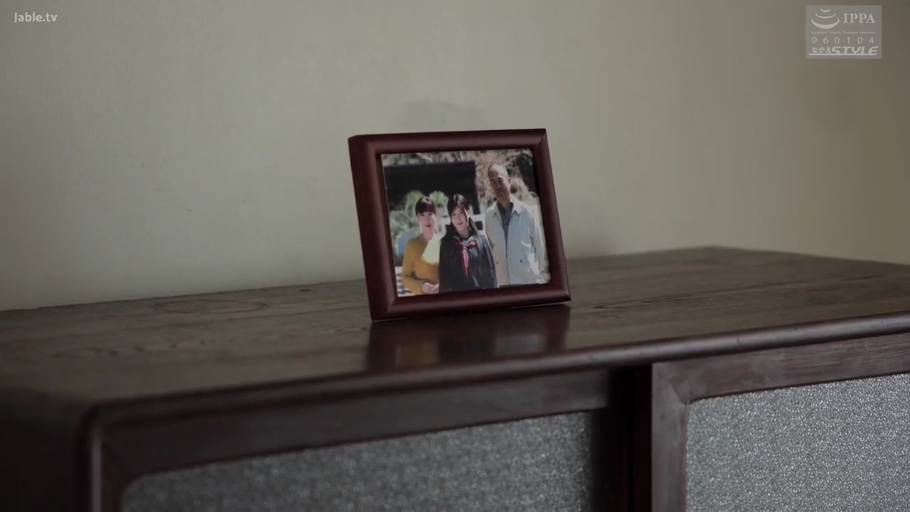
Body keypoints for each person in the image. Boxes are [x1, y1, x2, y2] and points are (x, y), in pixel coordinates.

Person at [483, 163, 549, 286]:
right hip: (503, 282)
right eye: (493, 183)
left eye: (500, 180)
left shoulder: (526, 212)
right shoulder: (489, 215)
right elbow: (492, 248)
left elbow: (538, 246)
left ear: (509, 181)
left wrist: (535, 273)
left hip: (527, 280)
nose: (497, 186)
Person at [438, 193, 497, 293]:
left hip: (479, 297)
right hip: (457, 299)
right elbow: (444, 280)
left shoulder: (481, 242)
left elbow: (490, 277)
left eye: (461, 212)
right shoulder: (446, 244)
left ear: (468, 212)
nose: (458, 218)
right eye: (453, 214)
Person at [399, 196, 440, 295]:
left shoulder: (445, 243)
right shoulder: (412, 245)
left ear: (435, 216)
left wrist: (443, 285)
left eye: (430, 214)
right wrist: (422, 286)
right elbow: (405, 277)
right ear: (417, 218)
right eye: (422, 215)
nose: (427, 219)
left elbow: (454, 273)